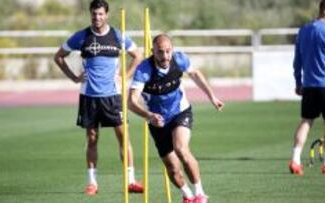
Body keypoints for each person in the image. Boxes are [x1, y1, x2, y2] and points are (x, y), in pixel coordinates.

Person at [53, 0, 144, 195]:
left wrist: (125, 76)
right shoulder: (82, 36)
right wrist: (73, 77)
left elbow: (138, 55)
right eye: (94, 14)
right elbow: (58, 56)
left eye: (101, 14)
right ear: (90, 15)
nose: (97, 18)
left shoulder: (117, 36)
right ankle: (92, 183)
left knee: (123, 137)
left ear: (107, 15)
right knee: (92, 138)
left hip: (113, 96)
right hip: (89, 96)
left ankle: (130, 180)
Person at [128, 34, 224, 203]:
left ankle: (200, 193)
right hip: (157, 121)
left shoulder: (179, 59)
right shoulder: (144, 69)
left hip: (180, 112)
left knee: (181, 149)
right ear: (153, 52)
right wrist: (148, 115)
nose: (165, 56)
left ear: (172, 50)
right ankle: (187, 195)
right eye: (160, 52)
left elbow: (195, 74)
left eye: (168, 51)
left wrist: (212, 97)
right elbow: (131, 101)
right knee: (172, 169)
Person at [290, 0, 325, 176]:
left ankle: (296, 159)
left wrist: (298, 82)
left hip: (309, 84)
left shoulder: (304, 30)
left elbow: (297, 59)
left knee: (306, 121)